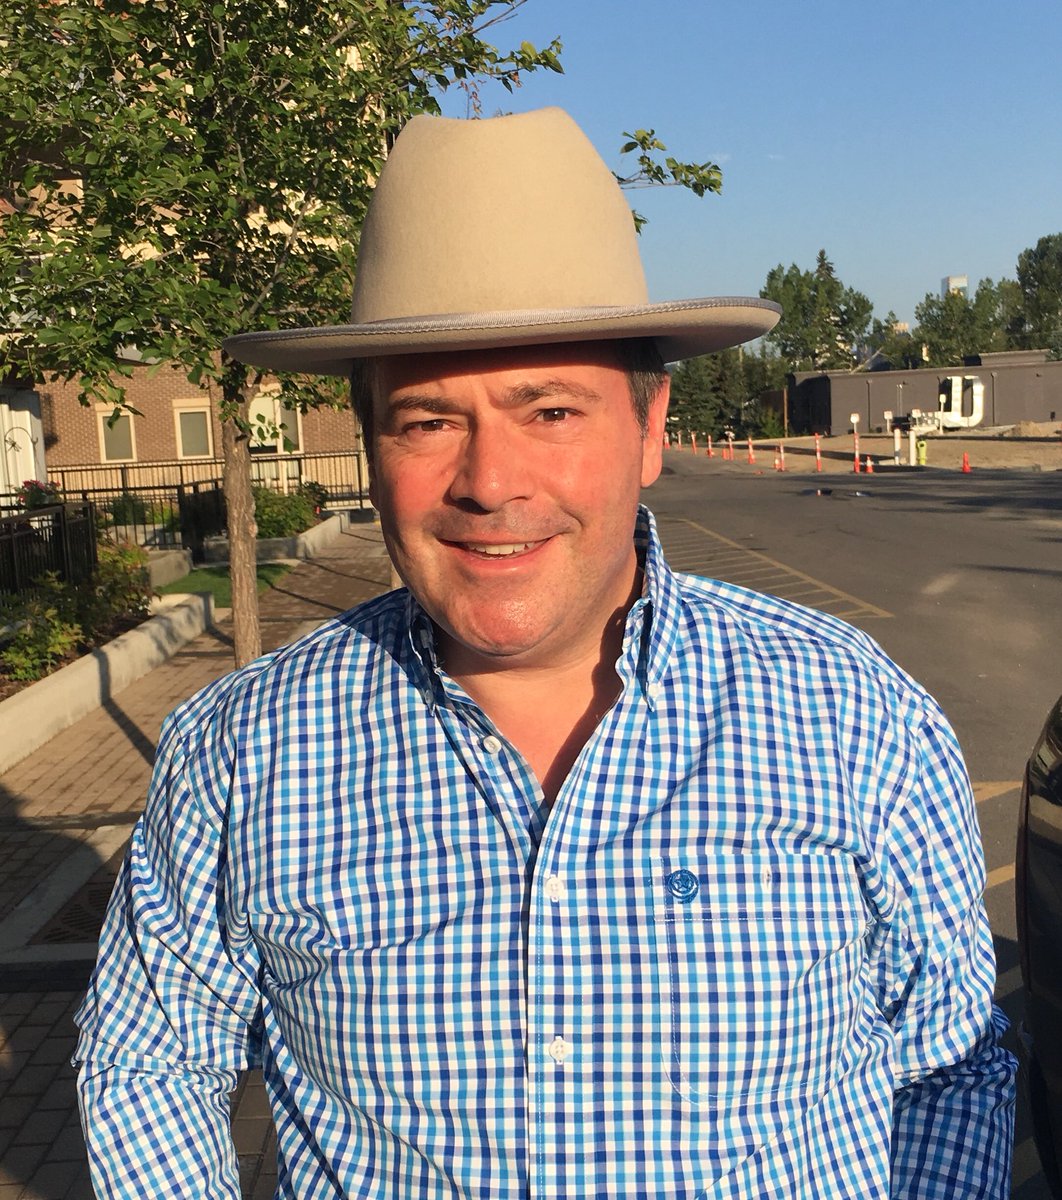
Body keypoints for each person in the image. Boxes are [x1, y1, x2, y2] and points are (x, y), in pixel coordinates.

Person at [75, 107, 1015, 1198]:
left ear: (652, 425)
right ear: (372, 447)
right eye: (428, 421)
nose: (489, 480)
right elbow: (151, 1061)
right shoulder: (242, 753)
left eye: (551, 410)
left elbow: (948, 1063)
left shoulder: (857, 717)